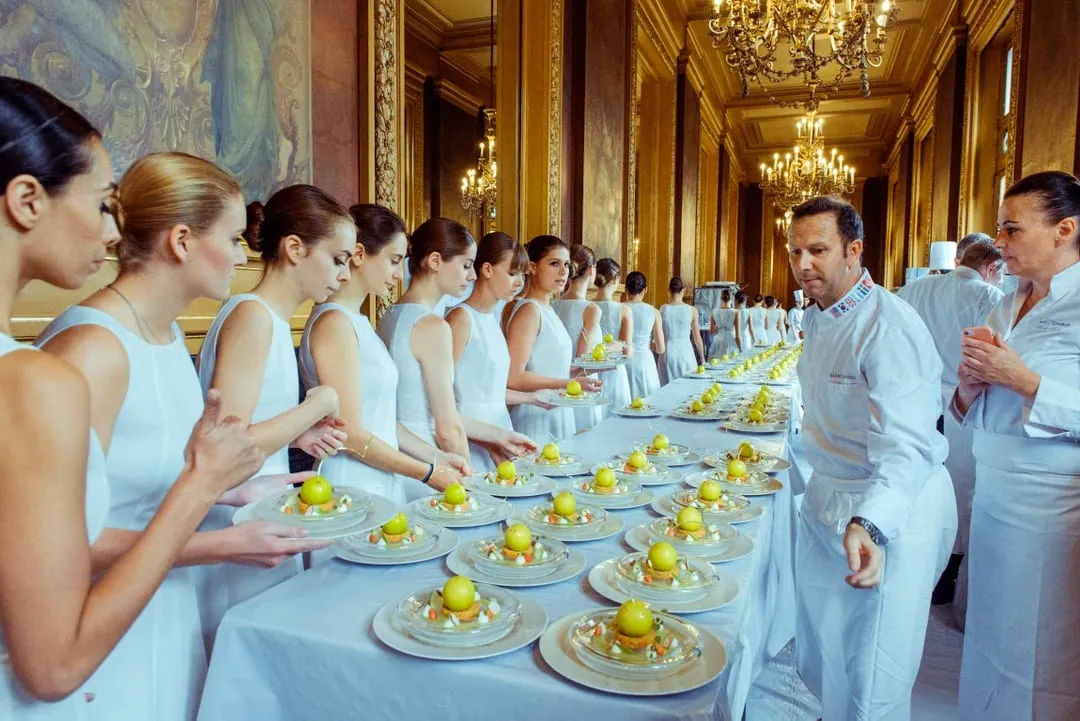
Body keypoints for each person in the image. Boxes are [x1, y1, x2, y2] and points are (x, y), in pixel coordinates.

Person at [36, 152, 331, 721]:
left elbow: (139, 479)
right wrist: (221, 544)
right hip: (94, 625)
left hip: (164, 603)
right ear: (182, 241)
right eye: (234, 237)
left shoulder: (166, 335)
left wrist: (232, 490)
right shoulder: (91, 350)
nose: (246, 255)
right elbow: (58, 545)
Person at [0, 78, 262, 716]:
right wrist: (200, 489)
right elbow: (53, 665)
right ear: (27, 199)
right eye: (99, 204)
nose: (113, 233)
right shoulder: (38, 379)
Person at [788, 195, 956, 721]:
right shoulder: (818, 316)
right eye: (795, 252)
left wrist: (872, 522)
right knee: (824, 651)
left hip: (890, 507)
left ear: (854, 249)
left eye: (817, 250)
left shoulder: (889, 325)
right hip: (831, 496)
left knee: (874, 668)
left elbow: (908, 447)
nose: (802, 265)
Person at [197, 184, 353, 645]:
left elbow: (243, 425)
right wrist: (314, 407)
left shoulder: (267, 317)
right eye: (338, 258)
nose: (344, 275)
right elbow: (229, 442)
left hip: (259, 507)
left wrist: (295, 438)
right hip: (237, 520)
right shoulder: (254, 316)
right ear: (294, 249)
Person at [953, 171, 1080, 720]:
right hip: (994, 489)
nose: (998, 242)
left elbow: (1029, 387)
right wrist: (969, 385)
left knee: (1042, 641)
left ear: (1064, 230)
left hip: (1049, 502)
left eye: (1011, 229)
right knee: (991, 632)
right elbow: (964, 408)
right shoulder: (1006, 304)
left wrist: (1025, 381)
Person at [300, 205, 468, 504]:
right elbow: (350, 434)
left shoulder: (360, 322)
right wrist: (426, 472)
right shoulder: (334, 323)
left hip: (379, 476)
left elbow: (382, 420)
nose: (397, 274)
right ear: (361, 255)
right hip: (349, 482)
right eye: (393, 260)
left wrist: (437, 458)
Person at [895, 236, 1005, 616]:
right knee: (958, 494)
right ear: (992, 268)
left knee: (917, 485)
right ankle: (944, 578)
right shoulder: (988, 297)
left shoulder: (916, 288)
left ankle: (909, 566)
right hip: (962, 400)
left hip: (915, 399)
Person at [378, 218, 534, 468]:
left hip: (401, 450)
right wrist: (470, 483)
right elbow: (446, 429)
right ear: (436, 261)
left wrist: (500, 437)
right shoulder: (433, 326)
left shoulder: (390, 316)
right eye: (466, 265)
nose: (472, 275)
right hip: (431, 459)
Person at [447, 231, 548, 471]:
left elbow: (487, 390)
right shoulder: (461, 318)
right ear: (487, 269)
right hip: (469, 436)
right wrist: (486, 438)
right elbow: (443, 398)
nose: (520, 282)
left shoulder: (491, 319)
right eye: (512, 273)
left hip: (501, 429)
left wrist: (530, 398)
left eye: (522, 275)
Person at [506, 236, 597, 443]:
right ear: (532, 267)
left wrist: (577, 369)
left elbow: (545, 362)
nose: (563, 271)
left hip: (556, 408)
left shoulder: (548, 309)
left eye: (566, 264)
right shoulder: (529, 309)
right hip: (535, 415)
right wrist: (568, 383)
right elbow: (514, 377)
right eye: (554, 263)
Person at [552, 244, 604, 430]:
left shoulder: (553, 305)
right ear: (591, 270)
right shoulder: (590, 310)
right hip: (581, 389)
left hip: (557, 386)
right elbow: (585, 362)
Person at [593, 257, 633, 414]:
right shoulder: (624, 310)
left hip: (590, 372)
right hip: (615, 372)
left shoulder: (587, 306)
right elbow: (627, 352)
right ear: (617, 279)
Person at [624, 271, 664, 398]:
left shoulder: (619, 308)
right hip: (644, 362)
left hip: (622, 362)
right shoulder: (653, 311)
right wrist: (651, 345)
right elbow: (661, 349)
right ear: (645, 290)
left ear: (626, 289)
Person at [659, 277, 703, 383]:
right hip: (685, 352)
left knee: (667, 389)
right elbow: (697, 338)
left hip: (668, 353)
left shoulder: (662, 309)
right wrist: (702, 357)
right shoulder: (692, 310)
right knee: (687, 388)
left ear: (669, 290)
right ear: (683, 290)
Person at [708, 289, 738, 359]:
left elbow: (712, 331)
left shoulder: (714, 311)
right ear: (732, 298)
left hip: (718, 339)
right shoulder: (735, 312)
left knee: (716, 361)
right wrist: (740, 347)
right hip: (731, 339)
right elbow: (738, 335)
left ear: (721, 298)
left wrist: (719, 328)